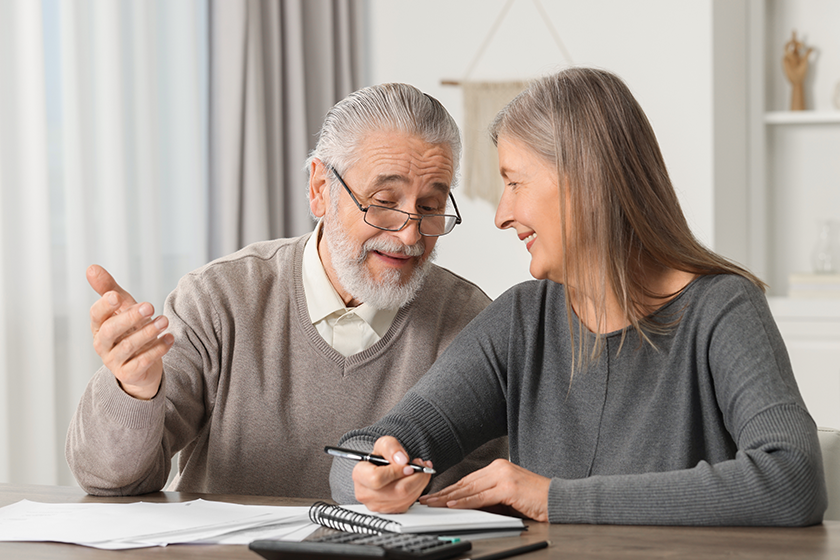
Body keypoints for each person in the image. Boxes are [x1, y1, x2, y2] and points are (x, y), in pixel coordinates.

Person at [330, 68, 827, 526]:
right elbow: (370, 446)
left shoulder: (722, 311)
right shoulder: (521, 321)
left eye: (514, 182)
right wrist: (371, 475)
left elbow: (792, 480)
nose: (501, 215)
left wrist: (554, 499)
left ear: (585, 181)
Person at [66, 83, 507, 498]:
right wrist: (134, 389)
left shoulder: (470, 323)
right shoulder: (220, 299)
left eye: (429, 207)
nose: (410, 235)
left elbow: (474, 505)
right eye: (385, 202)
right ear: (320, 189)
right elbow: (108, 481)